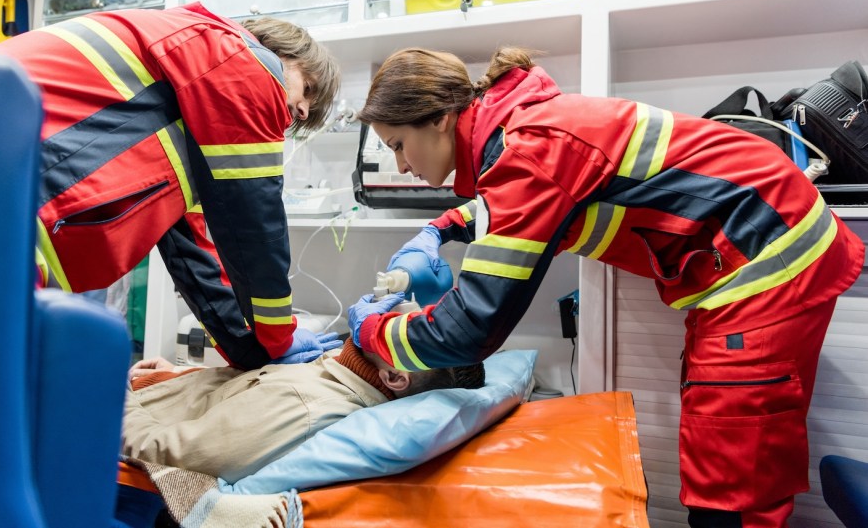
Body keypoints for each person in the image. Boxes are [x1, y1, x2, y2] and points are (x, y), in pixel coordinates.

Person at [346, 47, 866, 527]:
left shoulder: (526, 150)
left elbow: (466, 330)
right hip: (758, 242)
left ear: (439, 120)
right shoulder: (522, 130)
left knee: (734, 471)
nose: (402, 166)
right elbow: (520, 206)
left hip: (768, 255)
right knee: (725, 445)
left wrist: (371, 330)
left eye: (398, 145)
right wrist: (436, 232)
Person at [0, 2, 342, 369]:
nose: (300, 113)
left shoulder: (187, 95)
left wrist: (252, 352)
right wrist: (279, 336)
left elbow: (194, 256)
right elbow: (253, 223)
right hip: (3, 200)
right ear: (283, 53)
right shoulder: (244, 60)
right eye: (307, 89)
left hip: (2, 197)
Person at [122, 331, 485, 482]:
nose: (395, 314)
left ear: (394, 377)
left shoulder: (305, 408)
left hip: (109, 424)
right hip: (154, 393)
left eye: (407, 327)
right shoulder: (340, 368)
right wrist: (181, 374)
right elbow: (240, 394)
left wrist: (112, 392)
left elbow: (163, 452)